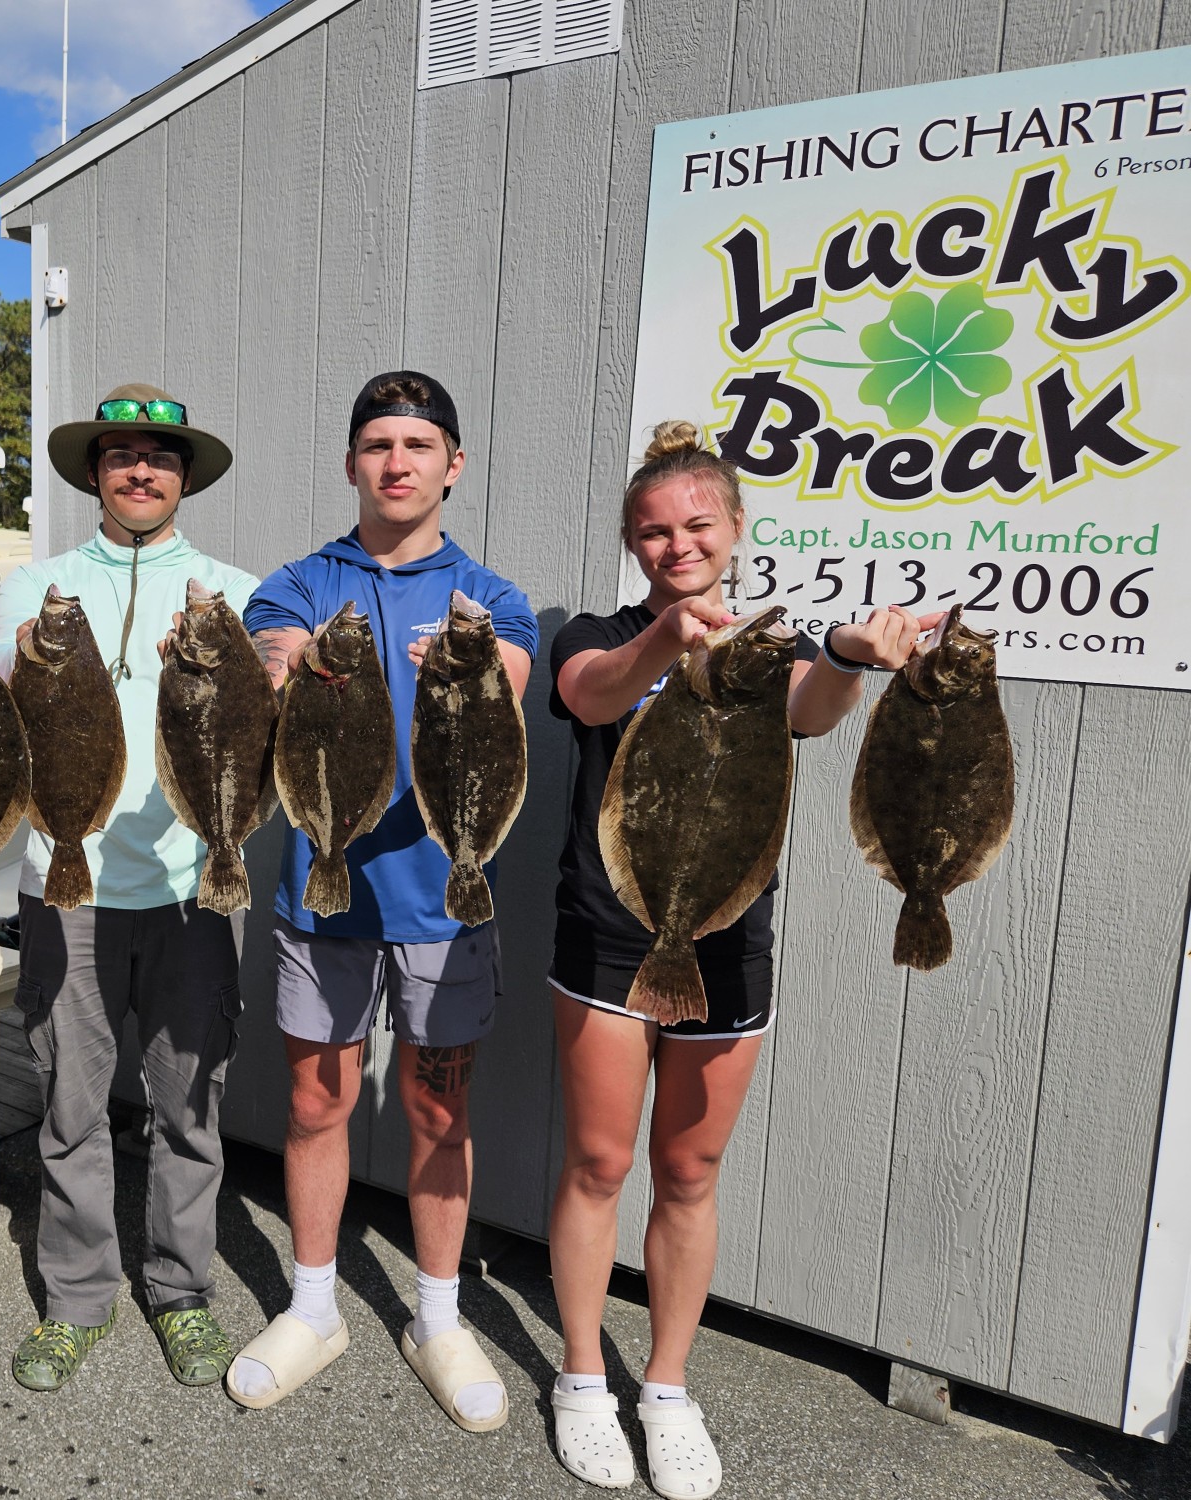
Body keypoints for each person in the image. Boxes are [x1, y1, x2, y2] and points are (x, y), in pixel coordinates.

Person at [544, 421, 937, 1498]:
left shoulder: (771, 647)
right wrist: (666, 642)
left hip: (727, 942)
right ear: (631, 543)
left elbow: (813, 706)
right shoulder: (599, 634)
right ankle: (582, 1375)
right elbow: (589, 693)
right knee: (597, 1165)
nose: (677, 545)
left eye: (697, 525)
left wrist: (847, 653)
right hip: (607, 936)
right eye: (653, 531)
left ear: (734, 529)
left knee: (688, 1173)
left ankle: (666, 1387)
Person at [232, 371, 536, 1433]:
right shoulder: (298, 583)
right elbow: (268, 656)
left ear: (453, 465)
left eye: (417, 445)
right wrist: (286, 663)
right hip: (322, 895)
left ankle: (436, 1317)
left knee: (438, 1112)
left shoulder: (488, 596)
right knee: (315, 1105)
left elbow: (508, 676)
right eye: (376, 445)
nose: (396, 463)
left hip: (445, 896)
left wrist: (467, 662)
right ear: (351, 463)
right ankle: (313, 1307)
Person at [0, 384, 259, 1392]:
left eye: (160, 456)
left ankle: (181, 1293)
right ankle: (76, 1300)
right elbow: (4, 683)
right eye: (119, 456)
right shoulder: (36, 588)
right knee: (70, 1106)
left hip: (196, 889)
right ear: (93, 474)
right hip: (67, 888)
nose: (140, 470)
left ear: (184, 477)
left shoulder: (235, 592)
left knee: (190, 1107)